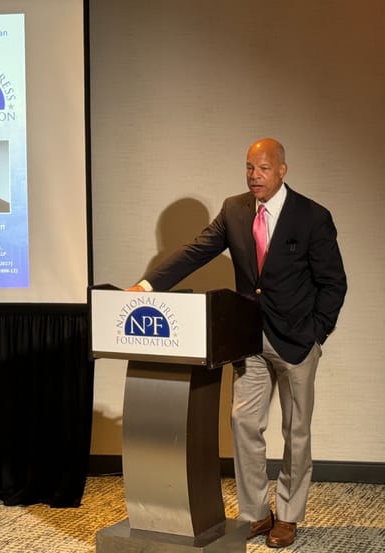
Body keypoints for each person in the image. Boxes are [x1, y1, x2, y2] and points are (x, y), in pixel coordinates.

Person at [127, 138, 346, 548]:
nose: (253, 176)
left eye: (263, 168)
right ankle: (257, 514)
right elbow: (196, 252)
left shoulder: (313, 216)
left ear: (282, 170)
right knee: (244, 424)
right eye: (249, 167)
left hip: (298, 341)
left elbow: (334, 283)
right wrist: (146, 284)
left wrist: (318, 333)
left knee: (296, 431)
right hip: (249, 339)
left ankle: (290, 516)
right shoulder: (234, 209)